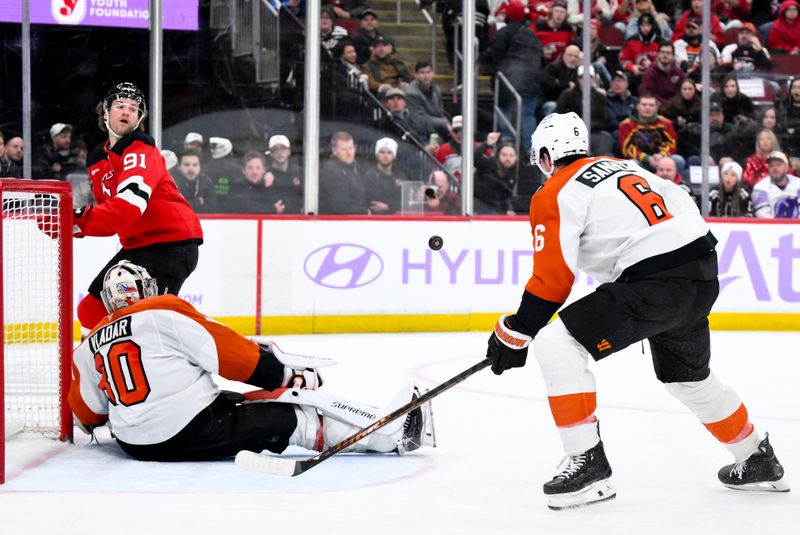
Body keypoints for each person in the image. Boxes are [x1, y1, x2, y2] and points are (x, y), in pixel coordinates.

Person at [485, 112, 789, 511]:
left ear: (545, 155)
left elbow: (553, 280)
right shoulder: (624, 166)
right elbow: (682, 201)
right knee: (688, 378)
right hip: (700, 271)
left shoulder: (555, 190)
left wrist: (516, 331)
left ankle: (587, 464)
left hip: (655, 283)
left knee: (558, 343)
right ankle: (756, 457)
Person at [69, 261, 434, 461]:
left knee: (243, 402)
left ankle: (375, 427)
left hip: (134, 444)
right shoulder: (162, 311)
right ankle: (387, 438)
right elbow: (230, 355)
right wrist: (283, 375)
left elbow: (87, 413)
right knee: (291, 415)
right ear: (146, 288)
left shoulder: (87, 345)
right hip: (188, 430)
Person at [70, 82, 203, 334]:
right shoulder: (99, 160)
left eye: (134, 108)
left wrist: (74, 220)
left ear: (139, 117)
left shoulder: (140, 149)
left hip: (172, 245)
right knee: (90, 311)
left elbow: (127, 208)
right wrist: (72, 225)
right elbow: (113, 220)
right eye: (120, 105)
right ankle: (104, 368)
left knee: (149, 325)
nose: (127, 111)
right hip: (137, 246)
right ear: (105, 113)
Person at [479, 0, 543, 153]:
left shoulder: (506, 32)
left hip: (509, 82)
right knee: (527, 115)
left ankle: (507, 143)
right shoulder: (532, 35)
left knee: (505, 111)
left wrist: (481, 61)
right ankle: (531, 150)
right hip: (531, 83)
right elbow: (542, 59)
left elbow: (494, 52)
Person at [618, 93, 682, 173]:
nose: (647, 108)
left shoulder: (666, 123)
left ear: (656, 108)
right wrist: (647, 158)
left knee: (678, 160)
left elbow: (672, 145)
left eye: (651, 105)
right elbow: (626, 149)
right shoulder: (626, 125)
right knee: (633, 163)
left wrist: (661, 155)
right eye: (644, 105)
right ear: (638, 106)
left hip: (661, 160)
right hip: (639, 160)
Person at [319, 131, 369, 214]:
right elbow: (340, 208)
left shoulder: (354, 167)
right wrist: (365, 212)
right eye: (344, 149)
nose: (349, 153)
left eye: (350, 148)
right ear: (334, 151)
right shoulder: (331, 170)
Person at [404, 61, 450, 142]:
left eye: (428, 72)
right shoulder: (411, 93)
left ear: (433, 73)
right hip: (419, 136)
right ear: (416, 75)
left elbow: (440, 113)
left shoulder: (436, 90)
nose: (426, 76)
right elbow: (419, 122)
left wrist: (449, 126)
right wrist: (444, 123)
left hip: (436, 132)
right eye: (422, 72)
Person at [750, 150, 800, 218]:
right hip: (772, 228)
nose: (775, 168)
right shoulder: (760, 187)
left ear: (787, 167)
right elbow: (763, 215)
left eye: (778, 165)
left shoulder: (798, 184)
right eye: (771, 165)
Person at [363, 137, 404, 214]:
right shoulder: (370, 176)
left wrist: (388, 207)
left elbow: (404, 201)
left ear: (394, 155)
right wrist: (393, 205)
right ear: (377, 154)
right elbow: (374, 203)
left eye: (389, 152)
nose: (385, 155)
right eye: (382, 152)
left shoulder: (400, 175)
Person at [266, 135, 304, 214]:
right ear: (271, 153)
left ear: (289, 151)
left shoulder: (299, 172)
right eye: (275, 149)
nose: (279, 152)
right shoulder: (266, 174)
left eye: (283, 149)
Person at [640, 40, 686, 105]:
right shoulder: (650, 73)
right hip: (657, 107)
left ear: (673, 56)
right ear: (658, 54)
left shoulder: (679, 73)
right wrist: (666, 104)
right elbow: (649, 94)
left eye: (668, 53)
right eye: (662, 52)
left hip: (676, 107)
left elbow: (683, 93)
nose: (665, 55)